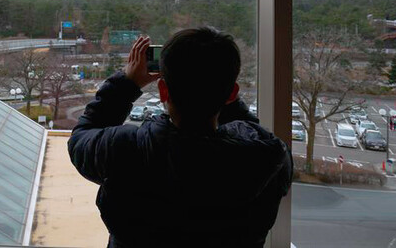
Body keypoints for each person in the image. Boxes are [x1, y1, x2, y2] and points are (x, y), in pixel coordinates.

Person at [68, 28, 293, 248]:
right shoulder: (269, 159)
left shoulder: (128, 149)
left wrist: (127, 83)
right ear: (232, 94)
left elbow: (80, 140)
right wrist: (218, 89)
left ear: (163, 91)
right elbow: (252, 134)